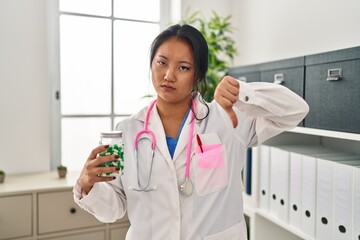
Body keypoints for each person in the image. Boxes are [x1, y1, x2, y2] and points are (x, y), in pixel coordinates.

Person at [73, 24, 309, 240]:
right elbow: (113, 209)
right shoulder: (126, 131)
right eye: (162, 62)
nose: (168, 75)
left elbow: (296, 111)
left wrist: (243, 93)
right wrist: (87, 185)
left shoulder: (227, 118)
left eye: (183, 67)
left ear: (197, 74)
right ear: (151, 63)